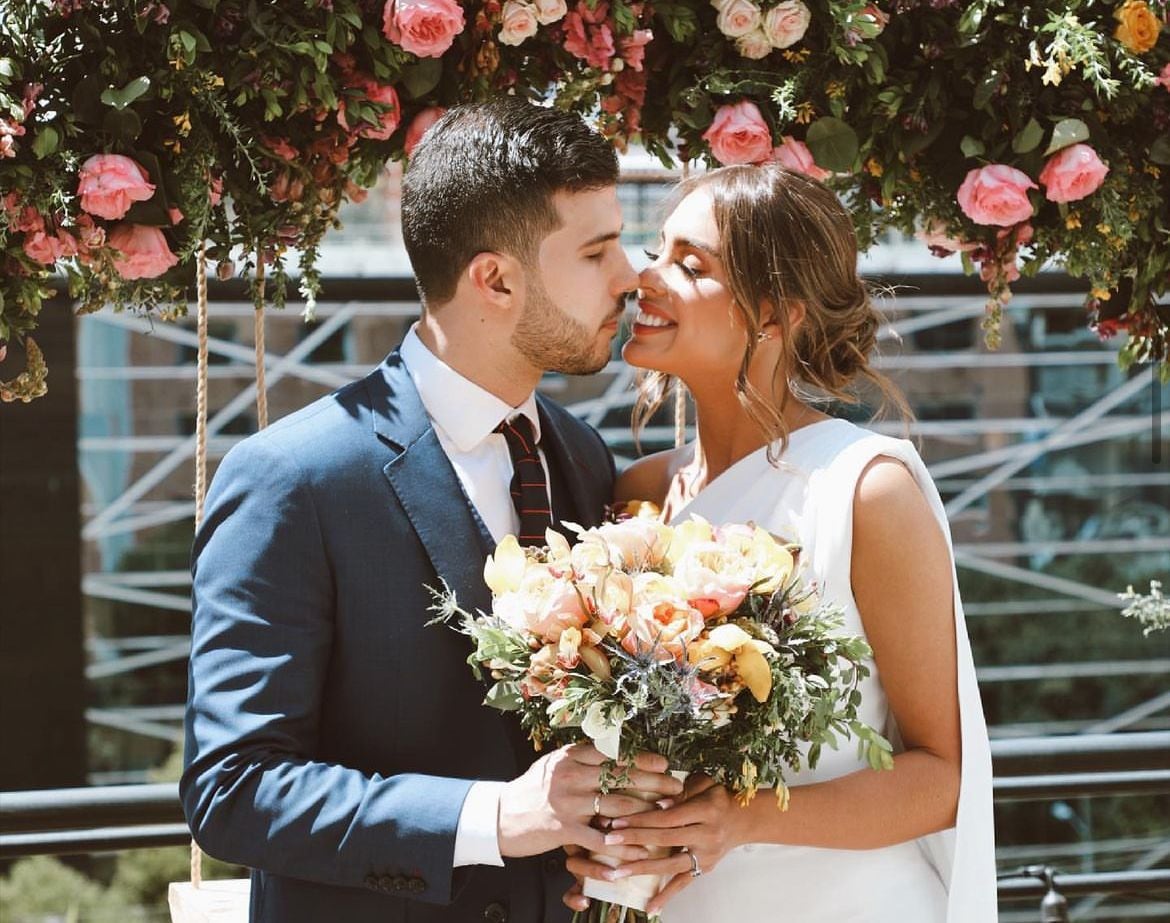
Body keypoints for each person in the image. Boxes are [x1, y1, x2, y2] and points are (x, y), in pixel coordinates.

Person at [180, 97, 683, 923]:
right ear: (495, 280)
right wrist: (493, 817)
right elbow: (233, 788)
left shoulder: (582, 455)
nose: (630, 275)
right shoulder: (292, 479)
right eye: (597, 251)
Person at [563, 163, 997, 921]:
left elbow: (943, 778)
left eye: (689, 264)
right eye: (657, 252)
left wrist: (743, 818)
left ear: (774, 314)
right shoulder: (637, 493)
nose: (643, 278)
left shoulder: (865, 490)